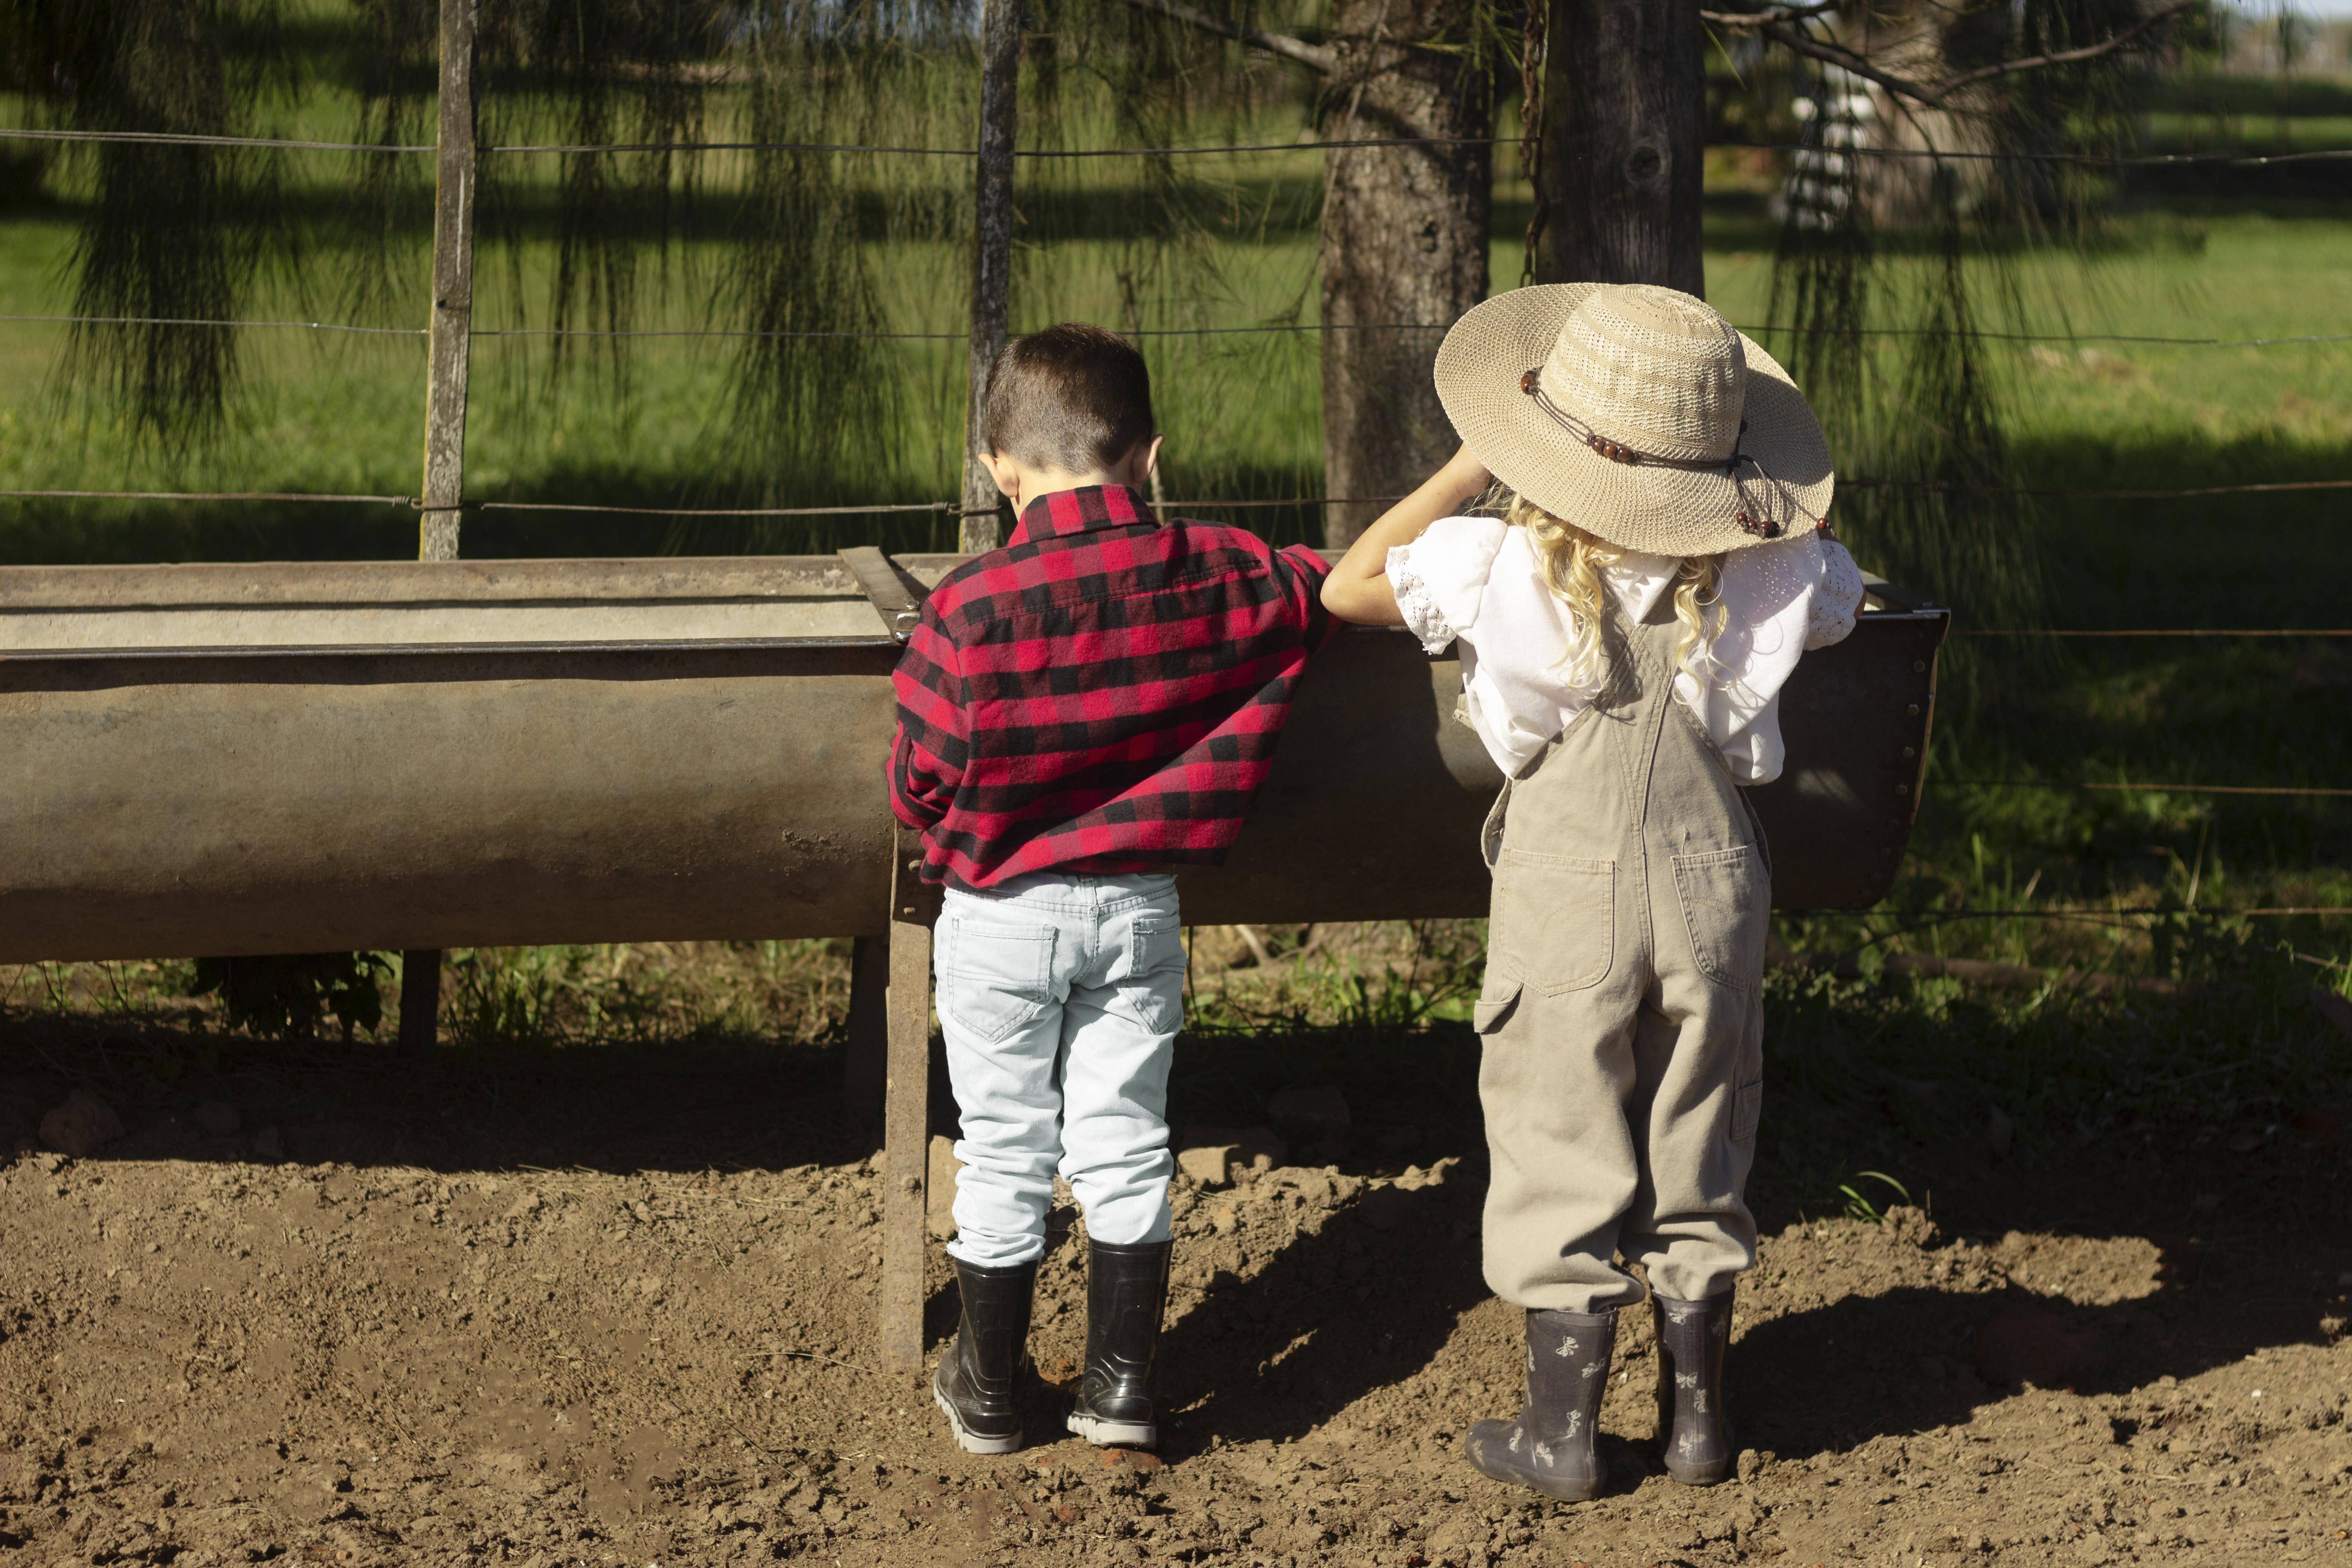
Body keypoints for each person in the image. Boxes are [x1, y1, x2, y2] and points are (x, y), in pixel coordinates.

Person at [1320, 283, 1865, 1500]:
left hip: (1566, 884)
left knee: (1557, 1121)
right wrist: (1761, 505)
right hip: (1715, 884)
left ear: (1544, 446)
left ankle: (1561, 1435)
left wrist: (1471, 466)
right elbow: (1847, 586)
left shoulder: (1490, 560)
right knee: (1702, 1117)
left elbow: (1347, 586)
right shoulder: (1783, 574)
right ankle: (1698, 1426)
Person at [888, 322, 1335, 1454]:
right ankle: (1122, 1393)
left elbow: (919, 780)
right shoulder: (1225, 571)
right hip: (1138, 909)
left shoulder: (968, 609)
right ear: (1150, 457)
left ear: (998, 469)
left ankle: (990, 1393)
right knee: (1127, 1139)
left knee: (1004, 1145)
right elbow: (1316, 587)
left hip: (1002, 915)